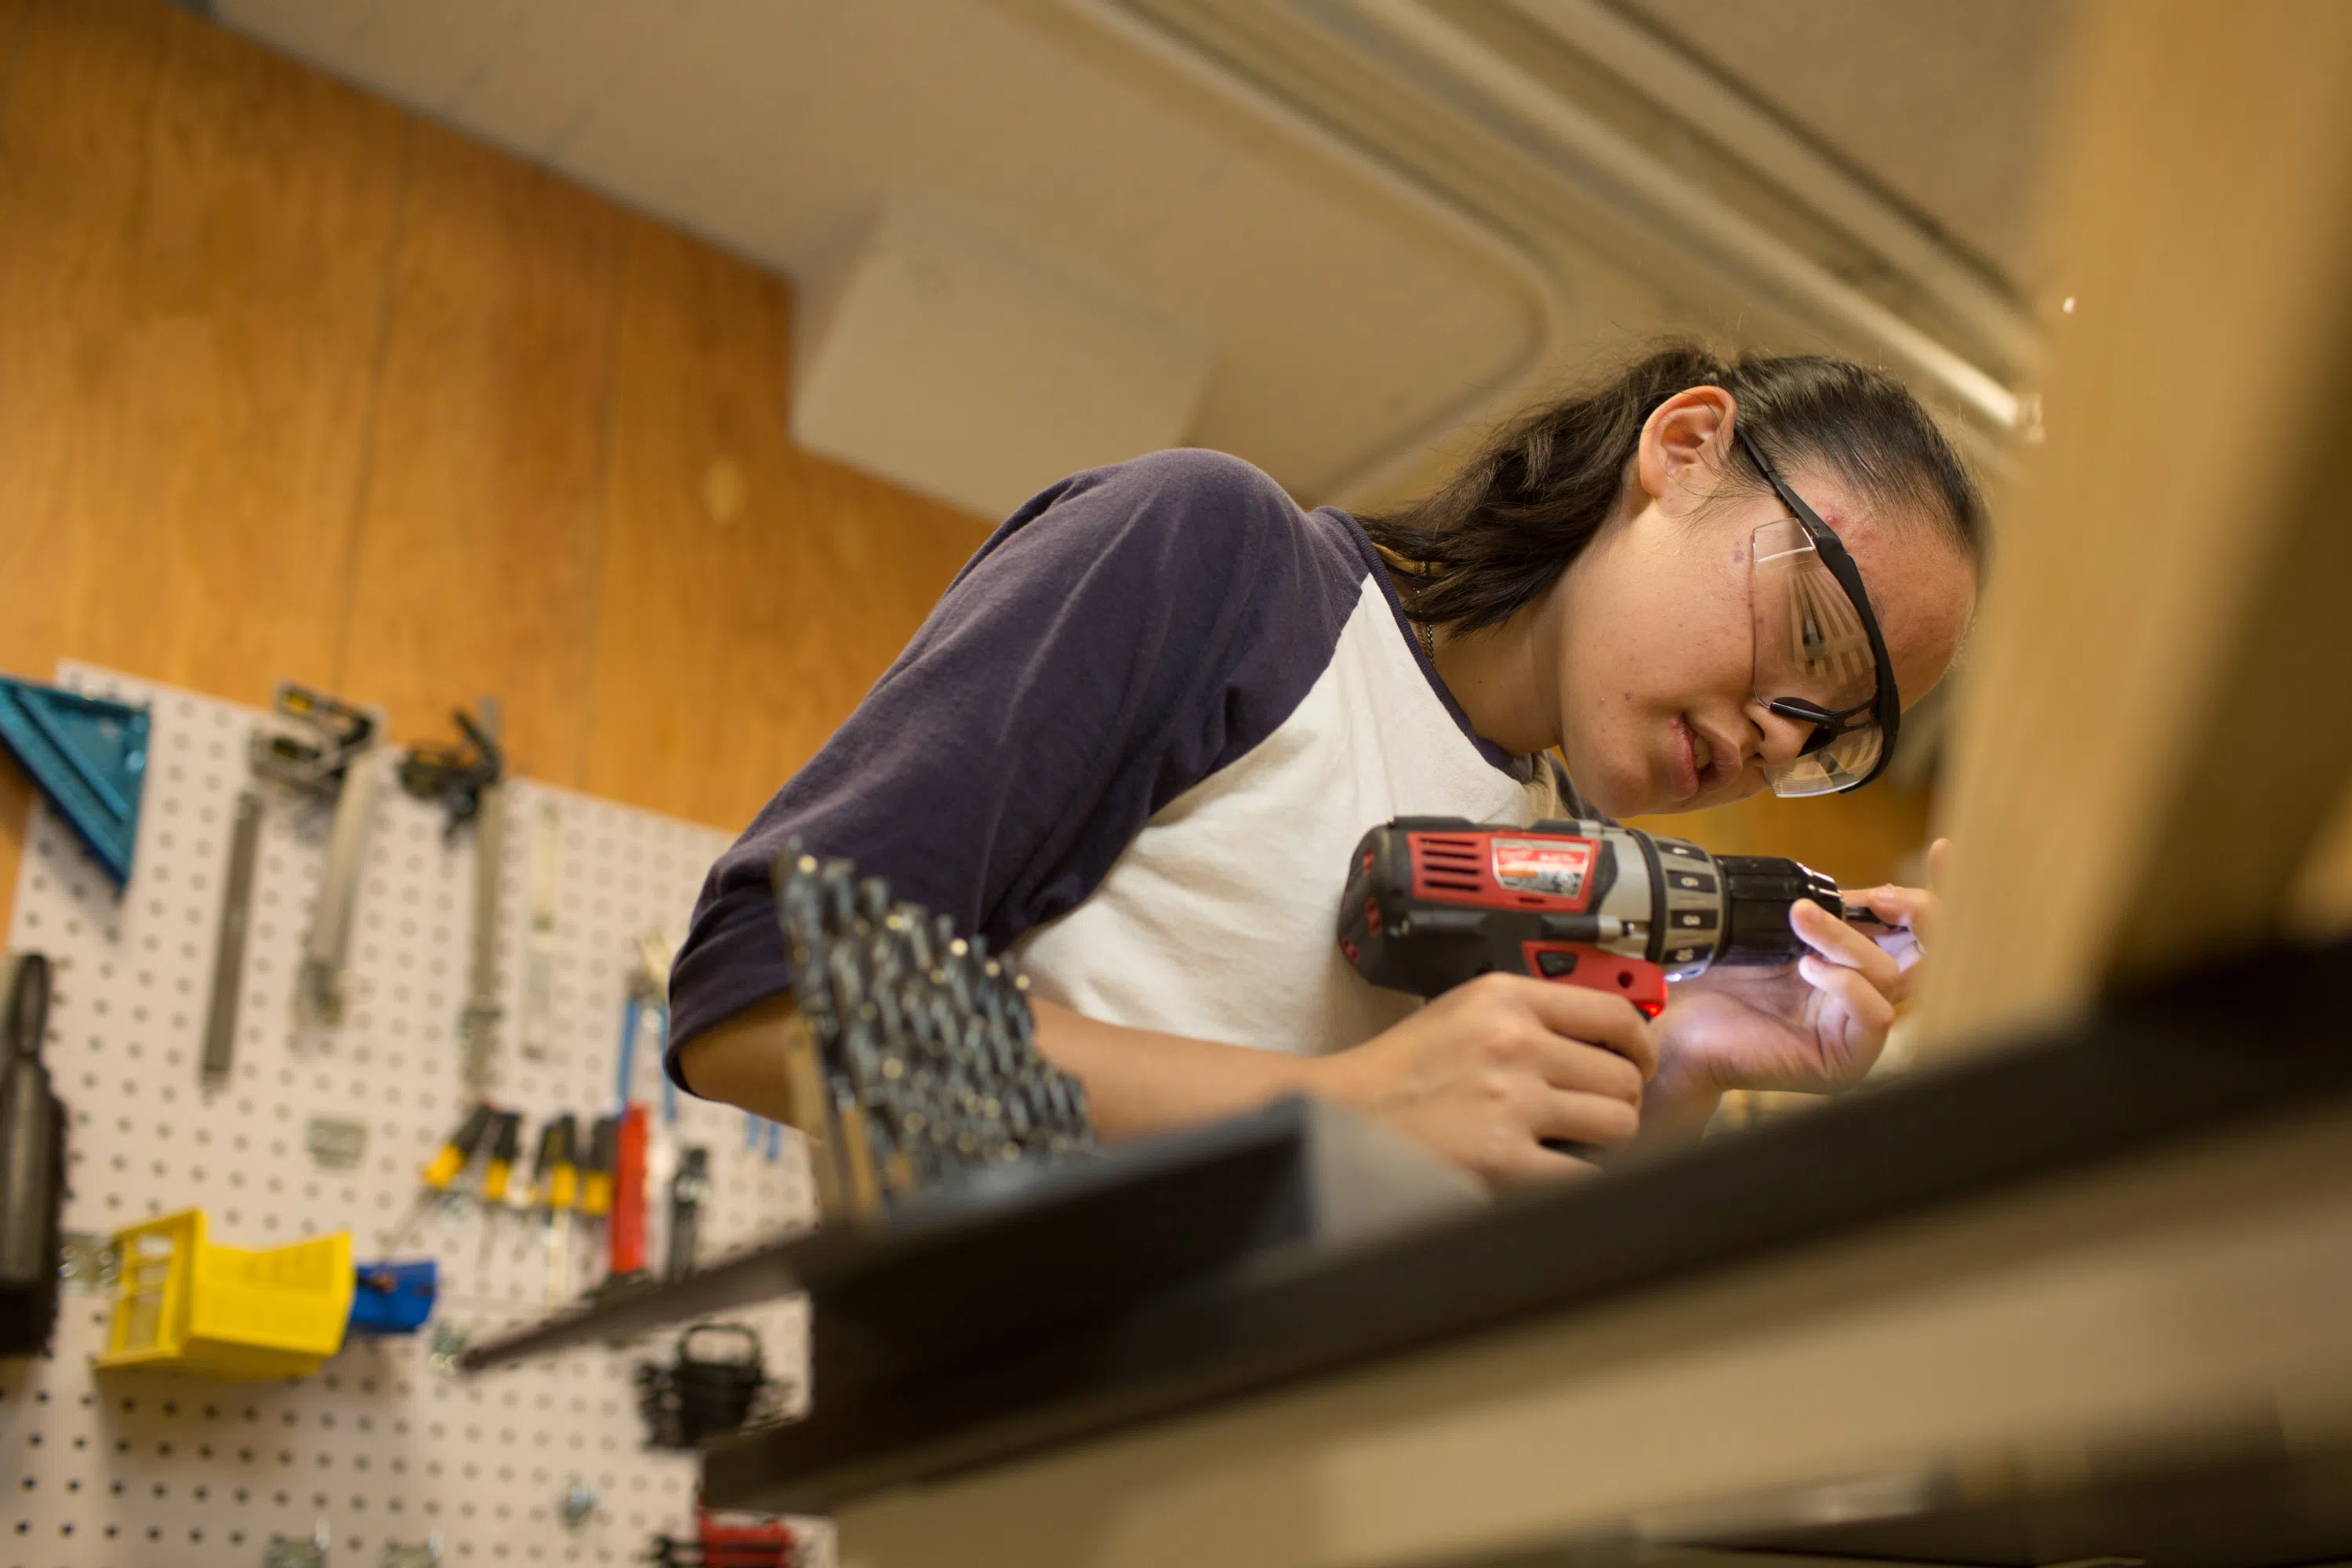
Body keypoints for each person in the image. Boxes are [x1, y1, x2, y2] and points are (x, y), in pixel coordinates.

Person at [667, 343, 1981, 1185]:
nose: (1776, 735)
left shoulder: (1582, 872)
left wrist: (1685, 1066)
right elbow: (763, 999)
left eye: (1832, 733)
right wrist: (1337, 1106)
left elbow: (1480, 1307)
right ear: (1684, 450)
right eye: (1804, 634)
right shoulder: (1227, 568)